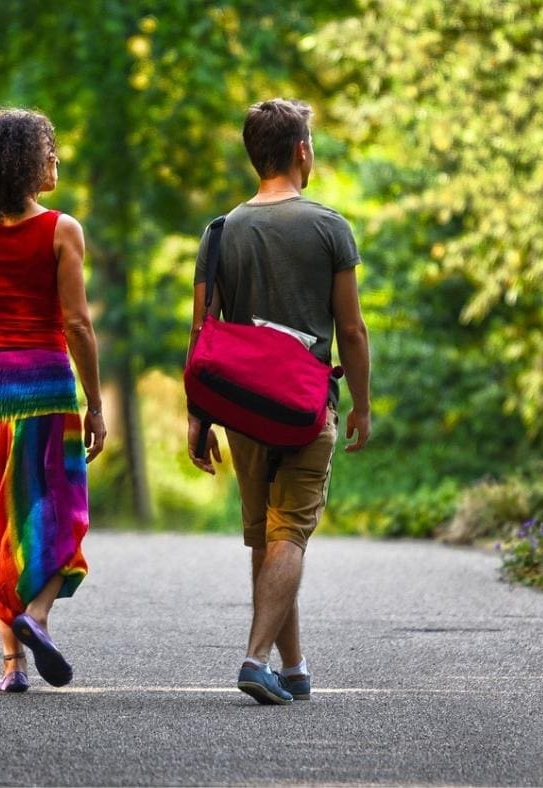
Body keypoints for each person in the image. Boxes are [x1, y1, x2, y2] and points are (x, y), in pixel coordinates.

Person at [186, 98, 371, 705]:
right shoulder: (328, 227)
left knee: (268, 537)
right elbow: (352, 330)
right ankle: (255, 658)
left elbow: (202, 332)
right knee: (289, 530)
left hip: (242, 411)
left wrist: (199, 415)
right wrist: (362, 406)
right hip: (305, 403)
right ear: (300, 151)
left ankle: (291, 666)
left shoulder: (221, 231)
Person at [0, 108, 105, 693]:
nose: (56, 160)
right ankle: (36, 617)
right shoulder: (62, 229)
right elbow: (78, 324)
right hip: (46, 389)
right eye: (49, 152)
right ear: (30, 165)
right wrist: (96, 405)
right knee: (56, 512)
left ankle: (12, 666)